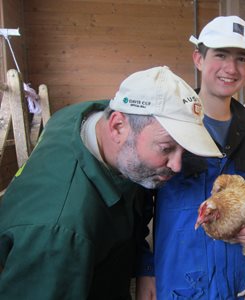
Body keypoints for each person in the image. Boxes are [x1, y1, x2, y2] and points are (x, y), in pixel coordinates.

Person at [0, 66, 222, 300]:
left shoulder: (87, 116)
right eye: (166, 148)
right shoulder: (61, 234)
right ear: (118, 126)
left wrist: (143, 265)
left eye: (183, 150)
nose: (177, 165)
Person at [136, 16, 245, 299]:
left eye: (242, 59)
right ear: (199, 58)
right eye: (221, 55)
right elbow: (137, 207)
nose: (231, 69)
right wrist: (145, 269)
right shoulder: (167, 129)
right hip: (182, 283)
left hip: (244, 285)